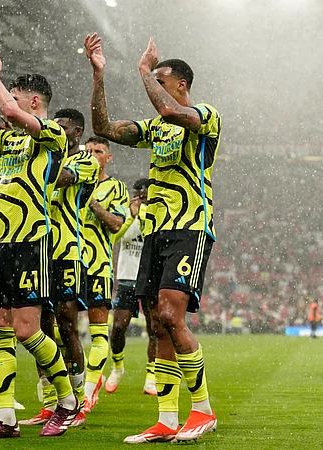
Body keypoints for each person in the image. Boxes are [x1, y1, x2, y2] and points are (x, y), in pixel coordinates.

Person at [85, 32, 221, 443]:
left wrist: (144, 69)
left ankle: (203, 411)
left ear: (181, 84)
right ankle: (166, 419)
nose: (152, 89)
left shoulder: (204, 115)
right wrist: (99, 75)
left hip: (189, 227)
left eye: (160, 82)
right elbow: (103, 127)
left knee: (172, 317)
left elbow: (168, 108)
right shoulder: (156, 129)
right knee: (158, 325)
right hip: (155, 232)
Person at [0, 45, 79, 438]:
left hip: (29, 242)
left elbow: (9, 111)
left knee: (27, 330)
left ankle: (67, 401)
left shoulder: (52, 134)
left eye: (15, 95)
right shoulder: (8, 141)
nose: (6, 102)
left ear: (34, 101)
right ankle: (6, 418)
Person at [20, 108, 101, 427]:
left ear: (77, 132)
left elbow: (60, 177)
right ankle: (50, 402)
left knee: (67, 326)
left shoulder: (85, 161)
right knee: (40, 328)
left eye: (63, 127)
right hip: (39, 250)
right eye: (53, 126)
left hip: (67, 251)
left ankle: (77, 401)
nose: (56, 131)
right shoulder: (44, 156)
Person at [79, 136, 128, 420]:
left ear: (108, 158)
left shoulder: (116, 187)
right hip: (68, 262)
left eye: (98, 151)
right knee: (61, 330)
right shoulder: (71, 181)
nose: (92, 155)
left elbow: (117, 224)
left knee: (98, 332)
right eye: (88, 151)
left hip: (97, 265)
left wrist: (94, 205)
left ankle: (88, 391)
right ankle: (60, 393)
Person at [105, 178, 158, 396]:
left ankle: (151, 377)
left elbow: (151, 237)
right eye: (139, 195)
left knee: (154, 328)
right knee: (118, 328)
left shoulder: (155, 214)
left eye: (145, 196)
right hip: (127, 277)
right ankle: (117, 366)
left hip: (149, 277)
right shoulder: (124, 213)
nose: (141, 199)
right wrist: (130, 216)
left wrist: (142, 215)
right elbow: (114, 239)